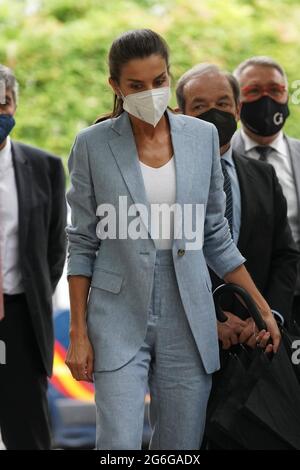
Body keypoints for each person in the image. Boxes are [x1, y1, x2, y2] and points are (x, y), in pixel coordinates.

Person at [65, 29, 280, 450]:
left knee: (180, 448)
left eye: (159, 81)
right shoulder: (91, 145)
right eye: (136, 86)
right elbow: (82, 242)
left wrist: (262, 308)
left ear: (169, 76)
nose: (150, 92)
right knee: (118, 444)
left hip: (189, 312)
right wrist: (78, 333)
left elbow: (215, 235)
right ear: (116, 87)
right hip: (116, 312)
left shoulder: (201, 139)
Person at [176, 63, 299, 347]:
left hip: (259, 344)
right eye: (200, 106)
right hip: (186, 341)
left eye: (222, 103)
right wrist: (211, 317)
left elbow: (285, 255)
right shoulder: (163, 178)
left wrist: (269, 318)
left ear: (237, 110)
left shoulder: (263, 175)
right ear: (181, 115)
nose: (214, 113)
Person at [0, 65, 67, 449]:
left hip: (20, 320)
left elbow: (55, 250)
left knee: (28, 435)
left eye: (3, 103)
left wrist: (32, 296)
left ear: (14, 106)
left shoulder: (44, 167)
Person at [232, 56, 300, 326]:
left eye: (275, 90)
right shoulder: (218, 158)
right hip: (239, 307)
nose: (266, 99)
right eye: (253, 91)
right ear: (238, 102)